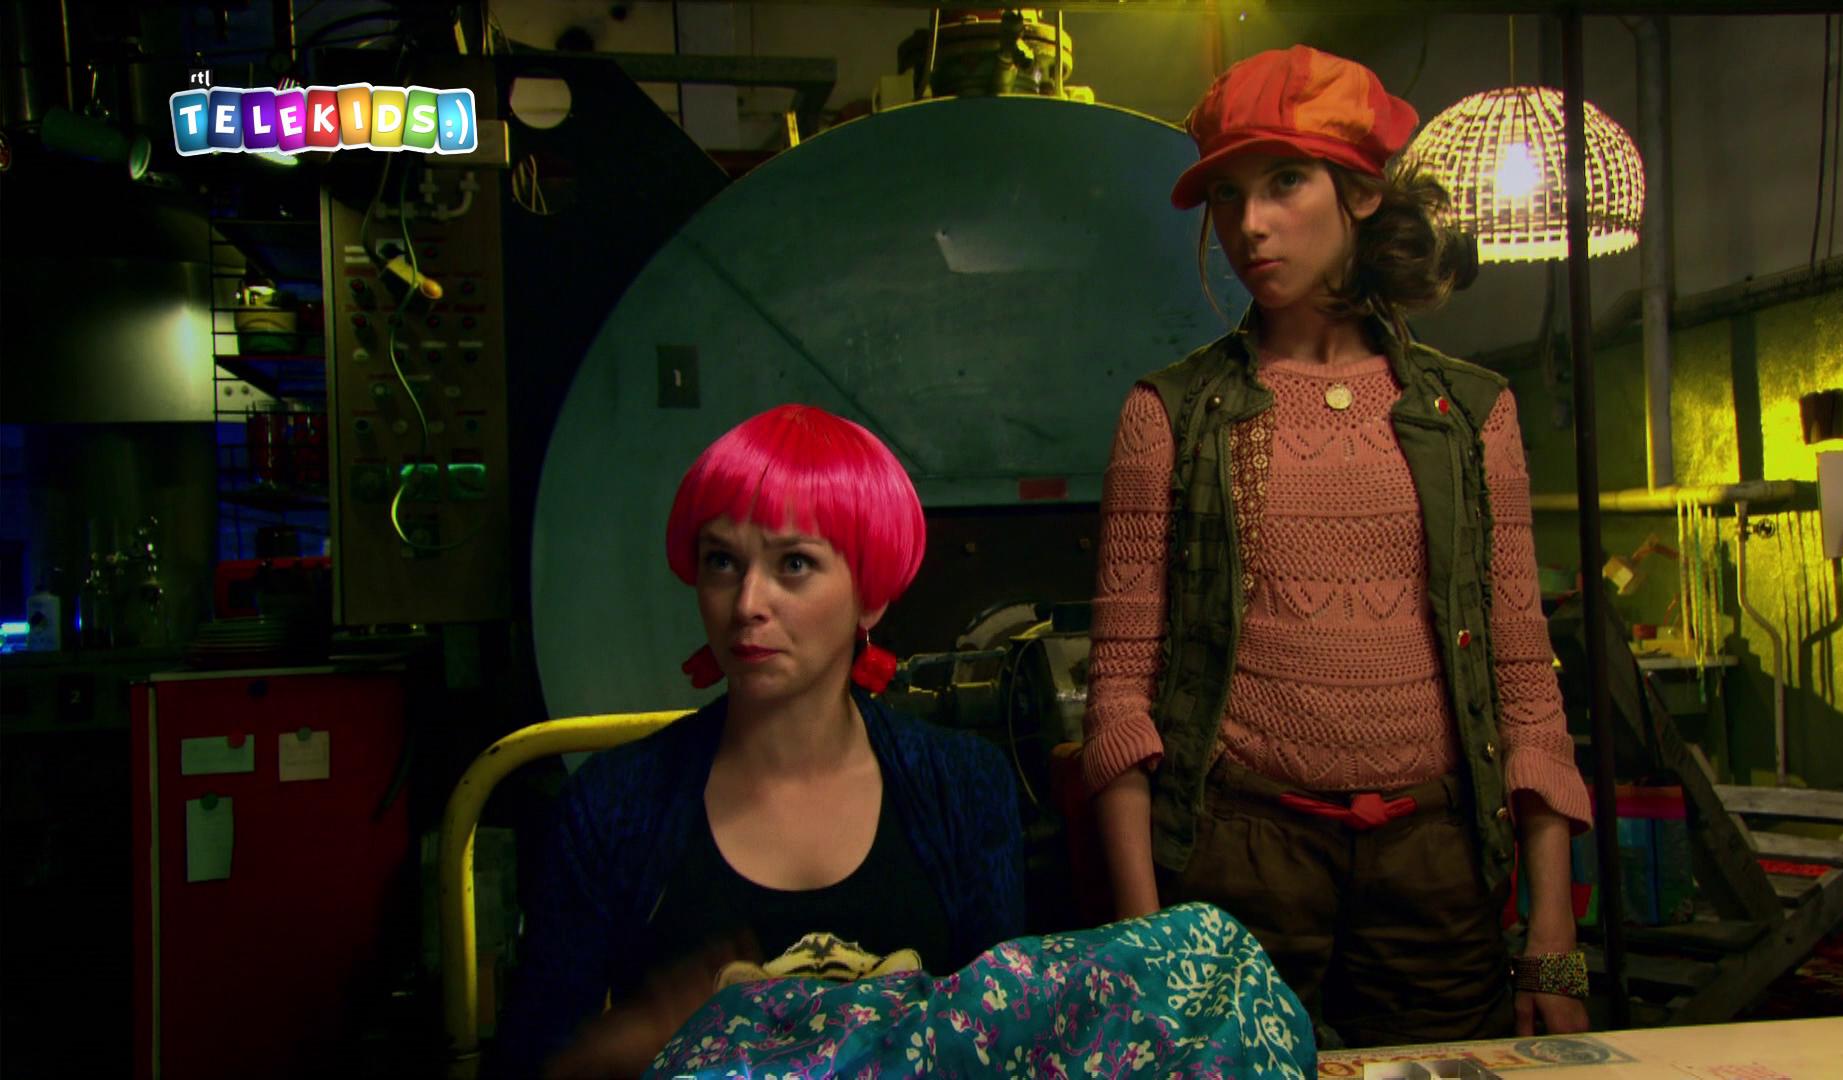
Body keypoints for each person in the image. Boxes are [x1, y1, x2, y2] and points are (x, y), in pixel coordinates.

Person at [1081, 45, 1594, 1049]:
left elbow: (1525, 684)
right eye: (1228, 195)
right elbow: (1121, 696)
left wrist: (1553, 942)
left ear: (1360, 192)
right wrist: (1146, 944)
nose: (1250, 224)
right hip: (1238, 861)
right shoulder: (1171, 416)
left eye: (1285, 182)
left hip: (1438, 866)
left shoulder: (1469, 414)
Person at [489, 404, 1026, 1078]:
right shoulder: (612, 807)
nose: (746, 604)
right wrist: (638, 1037)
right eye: (722, 561)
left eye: (794, 563)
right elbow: (529, 1065)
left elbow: (1009, 1039)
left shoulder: (962, 787)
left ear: (870, 594)